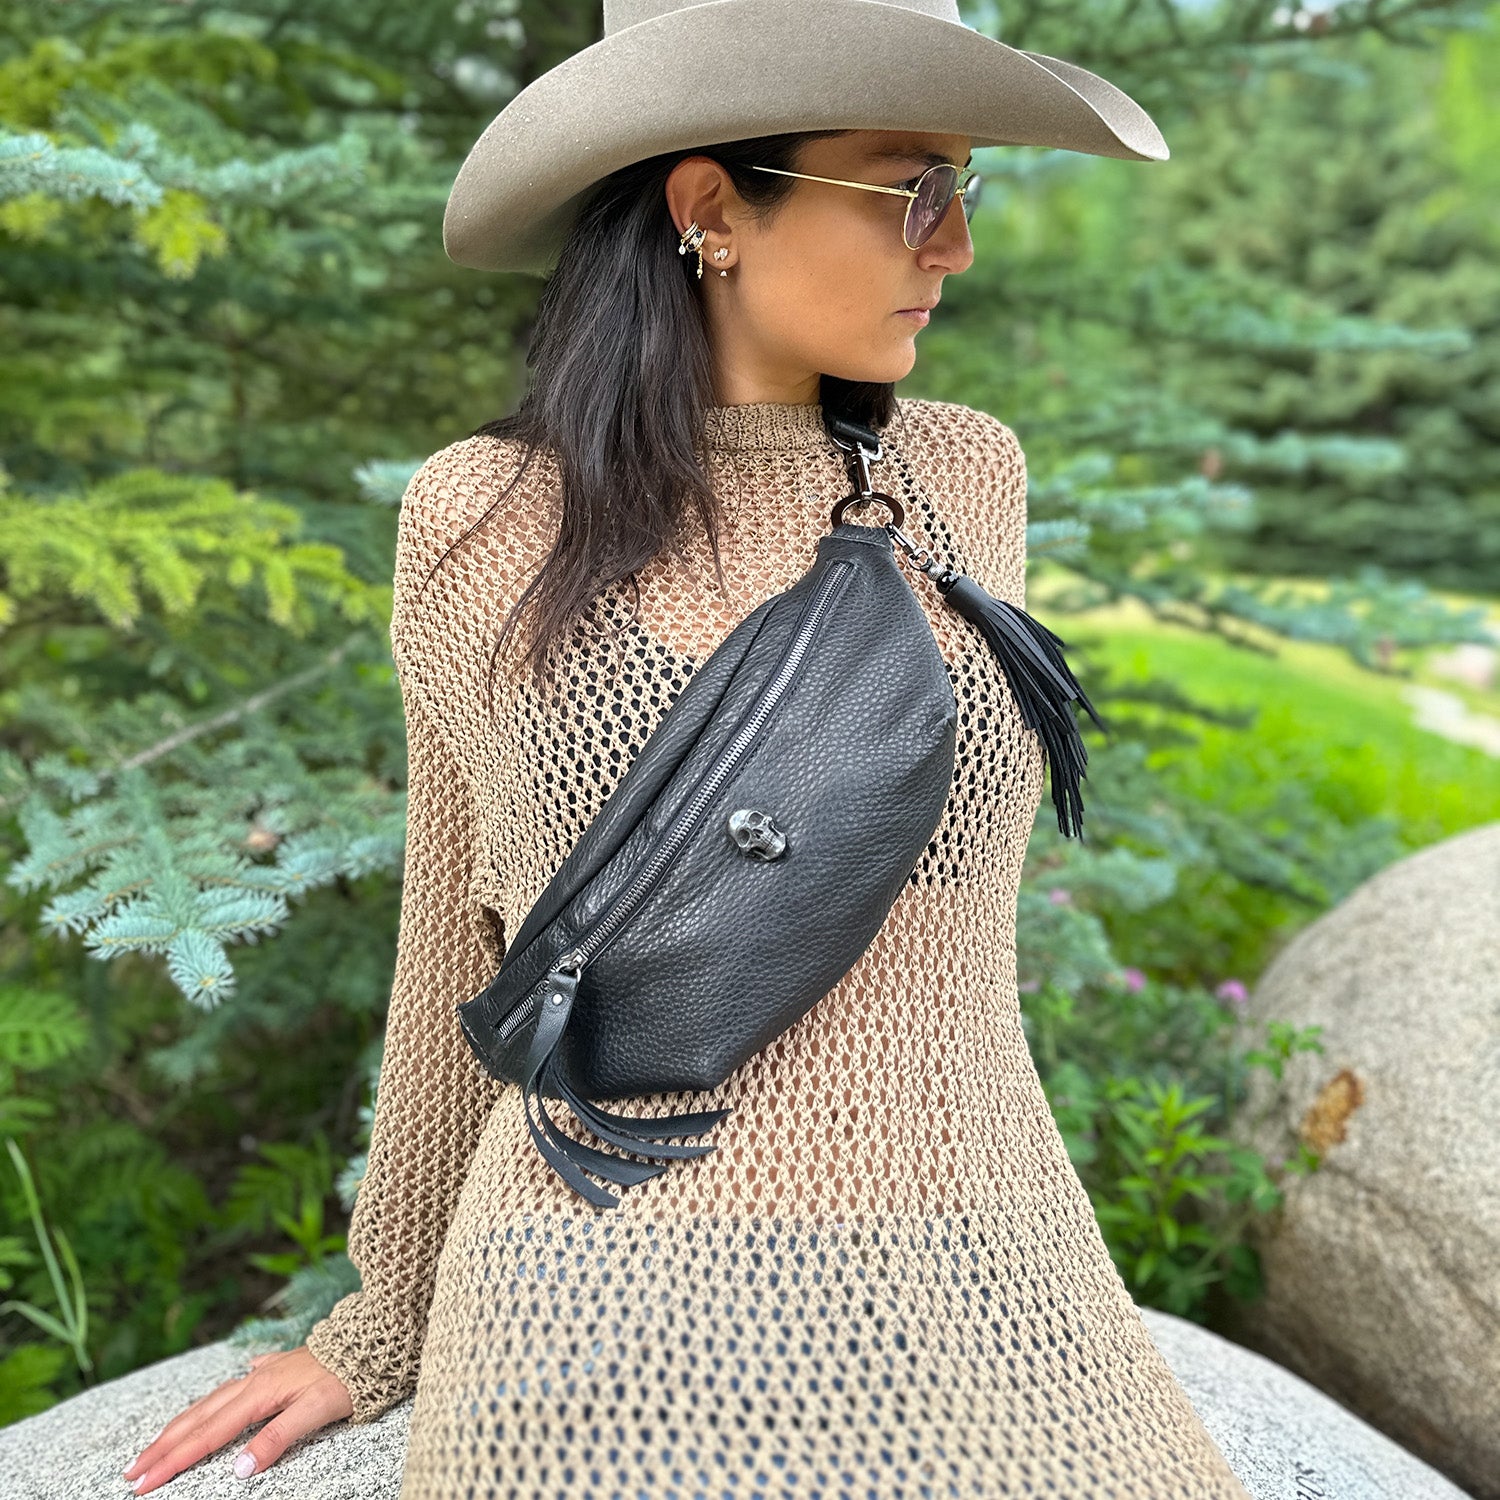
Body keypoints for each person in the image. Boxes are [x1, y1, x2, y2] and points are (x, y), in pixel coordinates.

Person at [124, 2, 1254, 1496]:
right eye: (910, 186)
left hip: (982, 1257)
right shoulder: (483, 520)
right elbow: (460, 937)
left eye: (963, 190)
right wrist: (383, 1325)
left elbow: (950, 957)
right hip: (601, 1287)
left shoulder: (965, 479)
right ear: (713, 209)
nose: (954, 245)